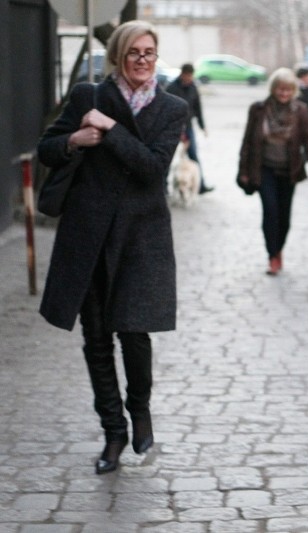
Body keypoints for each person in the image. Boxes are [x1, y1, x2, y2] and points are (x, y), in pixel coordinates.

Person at [37, 20, 188, 474]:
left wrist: (110, 129)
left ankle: (139, 411)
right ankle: (113, 432)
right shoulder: (89, 96)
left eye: (150, 53)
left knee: (134, 332)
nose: (143, 61)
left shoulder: (171, 107)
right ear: (118, 57)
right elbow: (47, 148)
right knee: (97, 337)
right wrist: (74, 140)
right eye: (134, 53)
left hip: (142, 238)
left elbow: (151, 169)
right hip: (88, 235)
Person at [237, 67, 308, 276]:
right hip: (263, 169)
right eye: (280, 89)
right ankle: (272, 255)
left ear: (293, 90)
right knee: (270, 211)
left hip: (289, 171)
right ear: (273, 89)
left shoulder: (301, 111)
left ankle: (279, 248)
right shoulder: (258, 110)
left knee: (284, 216)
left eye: (288, 90)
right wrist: (243, 170)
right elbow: (248, 141)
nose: (284, 94)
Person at [166, 63, 213, 193]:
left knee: (193, 155)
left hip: (188, 126)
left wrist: (203, 126)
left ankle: (200, 185)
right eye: (187, 75)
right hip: (173, 128)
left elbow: (198, 108)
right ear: (182, 74)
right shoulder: (171, 88)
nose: (189, 78)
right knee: (167, 156)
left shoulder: (193, 88)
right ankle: (163, 186)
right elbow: (167, 111)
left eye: (191, 76)